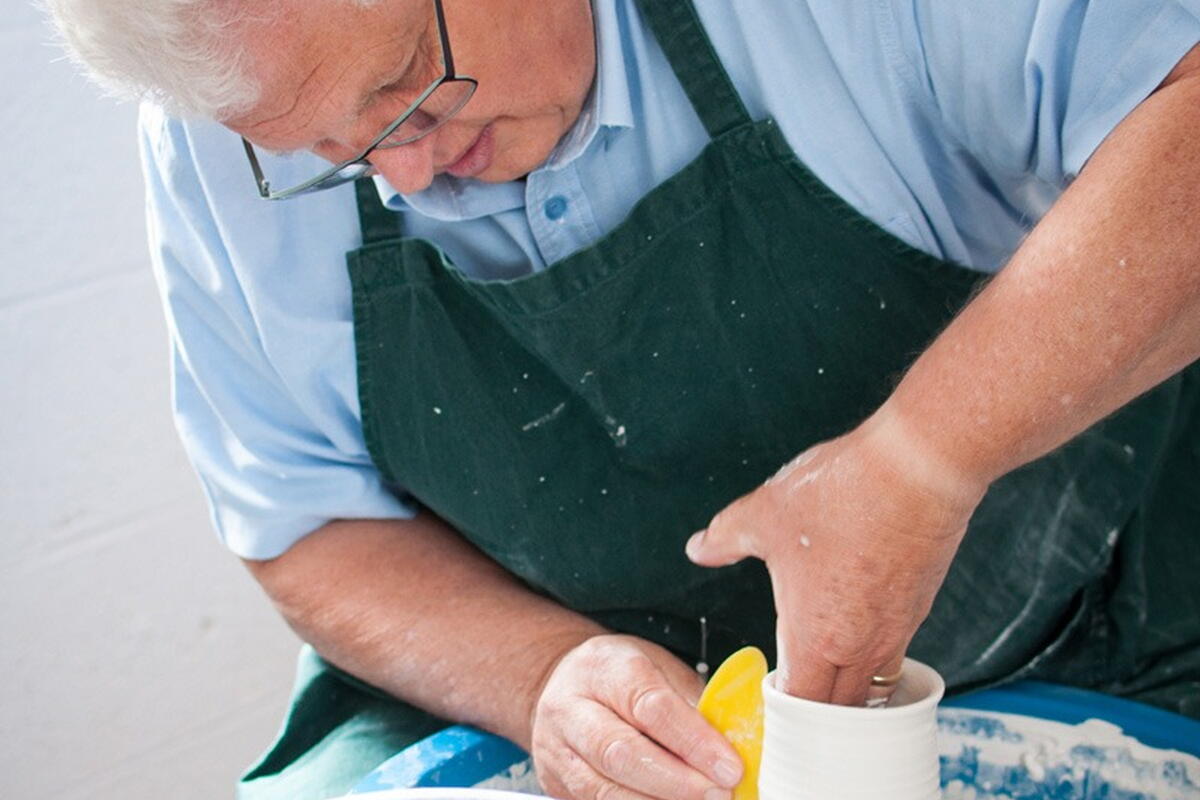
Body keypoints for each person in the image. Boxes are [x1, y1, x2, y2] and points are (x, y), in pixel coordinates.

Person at [48, 0, 1200, 798]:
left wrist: (927, 458)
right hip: (544, 701)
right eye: (324, 153)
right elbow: (300, 521)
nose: (400, 174)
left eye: (406, 87)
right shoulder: (230, 126)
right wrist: (541, 676)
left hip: (1089, 622)